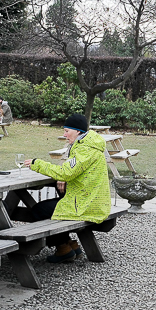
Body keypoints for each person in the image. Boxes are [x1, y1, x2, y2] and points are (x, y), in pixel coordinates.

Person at [26, 113, 111, 263]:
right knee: (53, 201)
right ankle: (71, 245)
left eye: (67, 131)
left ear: (78, 131)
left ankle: (63, 249)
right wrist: (63, 178)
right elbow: (72, 171)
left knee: (38, 210)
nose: (64, 135)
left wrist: (36, 164)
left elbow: (66, 172)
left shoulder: (85, 149)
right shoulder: (88, 144)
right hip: (91, 199)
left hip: (87, 205)